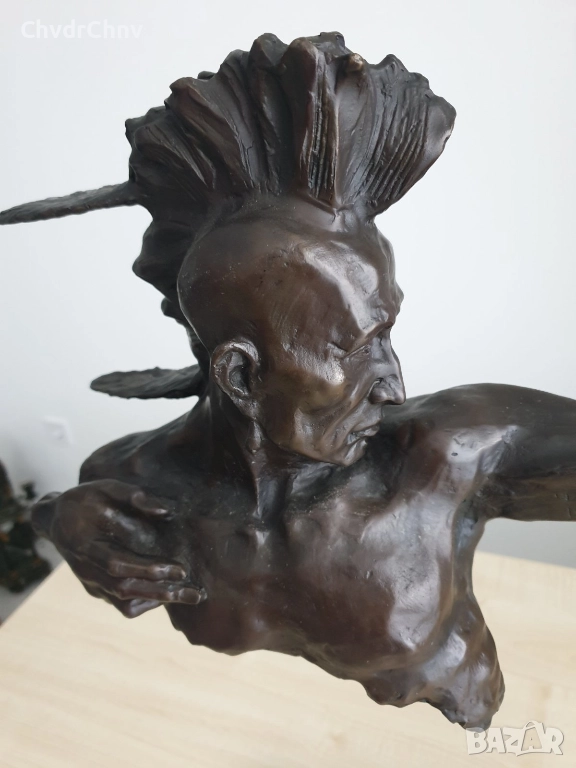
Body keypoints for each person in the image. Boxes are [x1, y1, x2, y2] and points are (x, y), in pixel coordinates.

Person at [2, 32, 575, 730]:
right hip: (214, 726)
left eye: (386, 334)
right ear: (241, 376)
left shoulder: (446, 454)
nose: (394, 386)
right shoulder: (138, 486)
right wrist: (61, 521)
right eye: (358, 350)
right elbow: (61, 513)